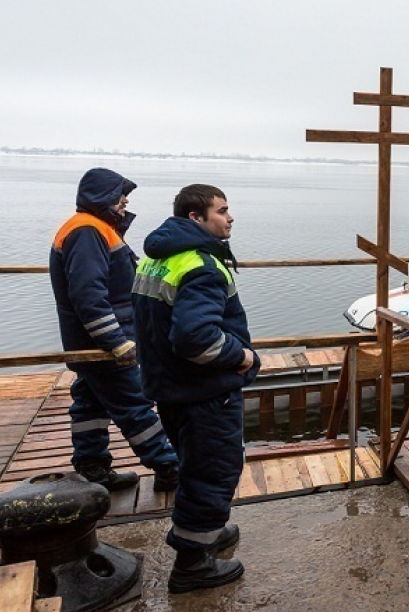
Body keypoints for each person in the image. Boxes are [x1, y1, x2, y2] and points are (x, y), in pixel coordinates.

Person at [131, 184, 260, 594]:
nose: (230, 216)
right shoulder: (200, 266)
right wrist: (242, 358)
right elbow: (196, 339)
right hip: (205, 391)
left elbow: (153, 326)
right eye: (222, 210)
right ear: (196, 219)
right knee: (213, 470)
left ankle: (208, 533)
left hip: (170, 387)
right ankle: (192, 565)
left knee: (193, 464)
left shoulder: (158, 259)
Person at [49, 168, 179, 492]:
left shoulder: (95, 228)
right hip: (103, 343)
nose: (125, 203)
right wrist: (115, 341)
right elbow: (88, 295)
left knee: (90, 401)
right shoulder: (87, 231)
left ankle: (93, 468)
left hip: (94, 340)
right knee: (134, 403)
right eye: (121, 196)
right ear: (103, 197)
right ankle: (169, 467)